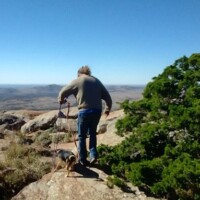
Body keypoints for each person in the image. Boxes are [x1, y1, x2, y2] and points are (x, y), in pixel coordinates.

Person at [58, 66, 112, 165]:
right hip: (97, 111)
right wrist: (107, 110)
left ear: (79, 74)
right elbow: (108, 98)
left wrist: (61, 100)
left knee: (82, 136)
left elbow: (63, 92)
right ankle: (93, 155)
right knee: (92, 133)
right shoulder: (96, 81)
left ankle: (82, 159)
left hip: (84, 111)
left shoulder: (78, 80)